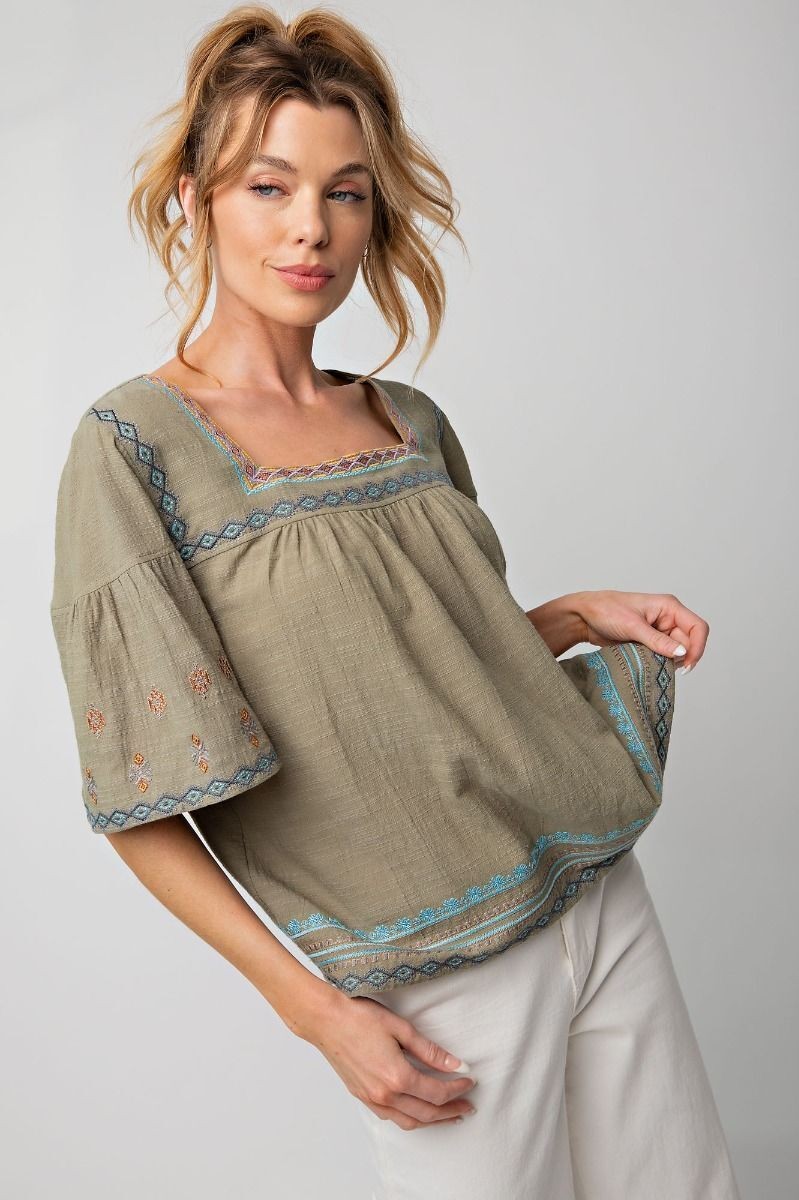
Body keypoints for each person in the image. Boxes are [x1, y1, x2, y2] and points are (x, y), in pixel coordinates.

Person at [49, 6, 743, 1197]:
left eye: (346, 193)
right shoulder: (135, 448)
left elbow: (419, 685)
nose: (310, 228)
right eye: (268, 187)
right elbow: (139, 801)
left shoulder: (409, 420)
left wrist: (570, 618)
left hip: (598, 897)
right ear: (196, 199)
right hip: (435, 973)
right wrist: (315, 1012)